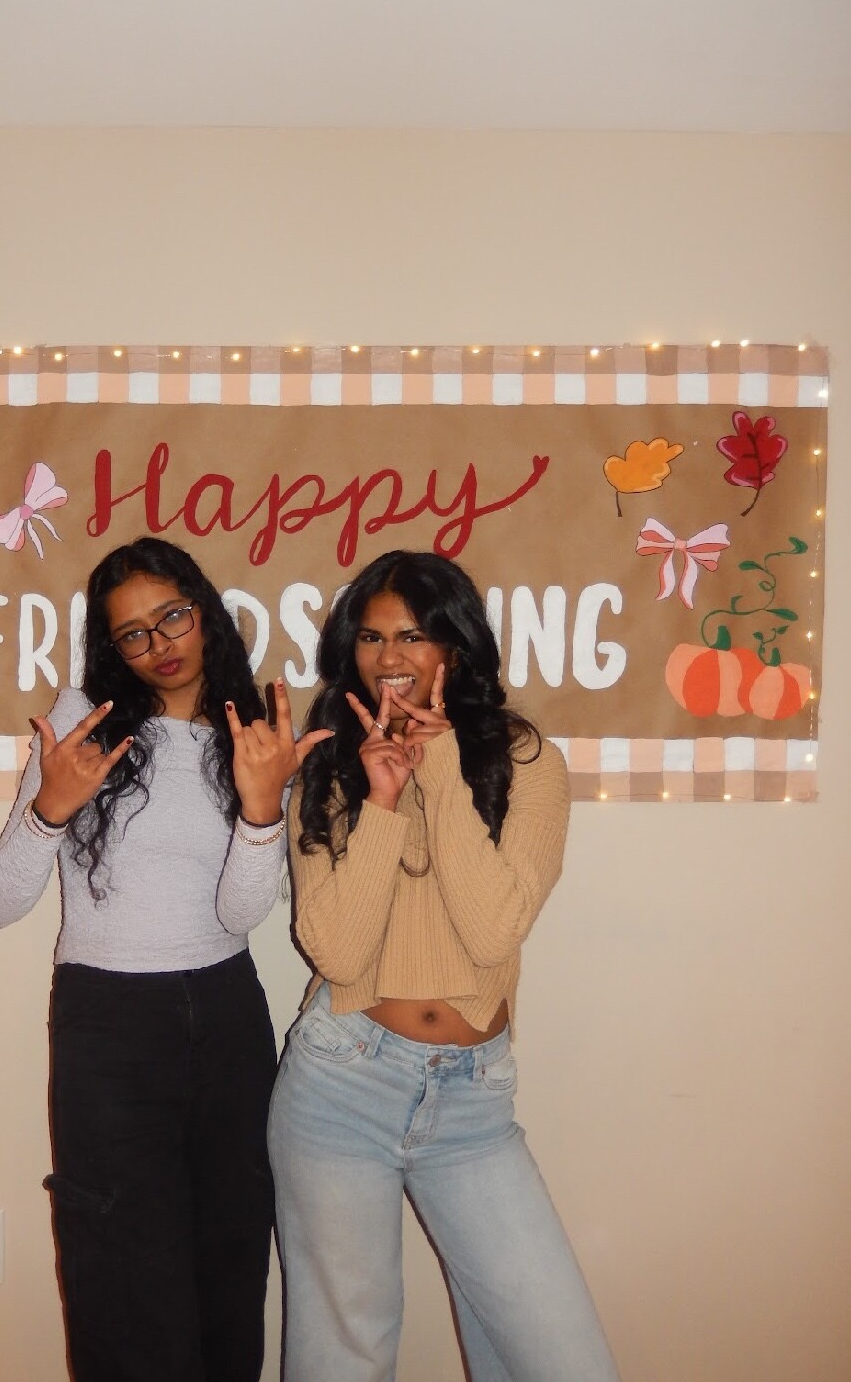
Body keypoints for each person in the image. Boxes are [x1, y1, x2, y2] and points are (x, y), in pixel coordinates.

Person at [0, 536, 329, 1382]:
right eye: (132, 633)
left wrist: (261, 810)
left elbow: (239, 915)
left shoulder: (249, 736)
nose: (159, 644)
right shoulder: (83, 722)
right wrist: (49, 809)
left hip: (227, 1014)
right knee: (122, 1266)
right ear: (112, 647)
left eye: (171, 617)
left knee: (231, 1254)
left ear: (203, 610)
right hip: (109, 1021)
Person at [268, 549, 620, 1382]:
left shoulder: (527, 762)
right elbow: (338, 952)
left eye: (413, 635)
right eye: (371, 637)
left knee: (565, 1360)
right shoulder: (325, 769)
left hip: (471, 1103)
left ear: (453, 650)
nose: (389, 656)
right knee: (344, 1355)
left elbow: (495, 931)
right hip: (339, 1086)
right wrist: (384, 801)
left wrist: (446, 775)